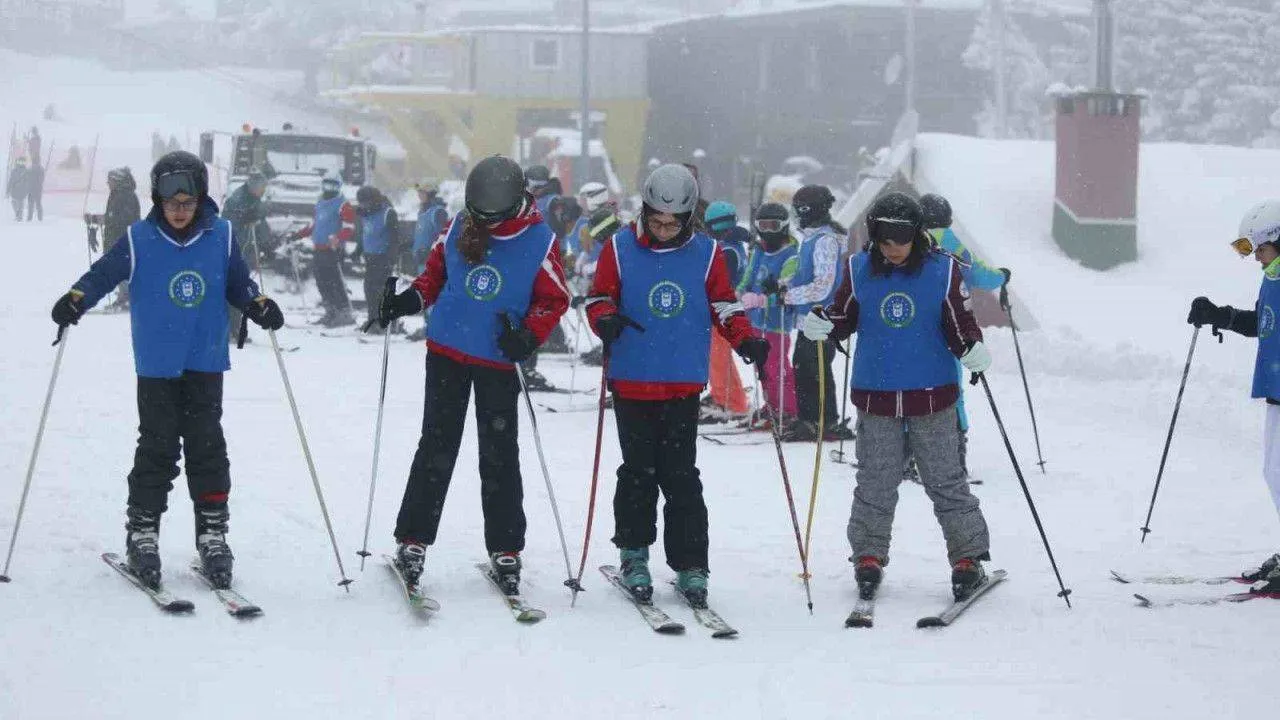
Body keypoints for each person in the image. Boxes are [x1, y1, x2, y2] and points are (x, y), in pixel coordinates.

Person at [48, 151, 285, 591]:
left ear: (200, 198)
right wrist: (77, 298)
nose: (179, 210)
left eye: (187, 202)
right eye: (171, 202)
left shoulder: (221, 235)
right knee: (157, 447)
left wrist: (257, 304)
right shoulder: (140, 238)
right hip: (157, 363)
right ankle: (143, 532)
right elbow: (103, 274)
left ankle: (212, 534)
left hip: (204, 358)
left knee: (206, 446)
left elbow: (239, 283)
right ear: (158, 199)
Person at [375, 155, 570, 595]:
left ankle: (506, 546)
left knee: (499, 453)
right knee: (436, 446)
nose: (484, 224)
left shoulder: (539, 240)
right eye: (478, 215)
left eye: (492, 218)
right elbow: (432, 279)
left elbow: (554, 299)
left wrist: (528, 335)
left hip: (498, 361)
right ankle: (413, 539)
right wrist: (406, 302)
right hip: (446, 352)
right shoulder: (459, 226)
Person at [584, 164, 768, 606]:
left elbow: (723, 305)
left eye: (673, 224)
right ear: (645, 211)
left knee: (681, 476)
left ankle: (691, 564)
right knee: (637, 473)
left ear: (688, 219)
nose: (663, 230)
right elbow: (599, 297)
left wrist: (745, 338)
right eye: (656, 221)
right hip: (632, 379)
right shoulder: (619, 247)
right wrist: (604, 318)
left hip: (681, 381)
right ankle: (633, 553)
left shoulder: (706, 253)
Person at [800, 191, 993, 602]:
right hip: (877, 394)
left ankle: (968, 557)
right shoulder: (859, 269)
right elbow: (843, 315)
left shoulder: (944, 269)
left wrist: (972, 347)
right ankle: (868, 555)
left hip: (932, 393)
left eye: (901, 242)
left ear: (916, 234)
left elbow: (960, 322)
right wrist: (824, 324)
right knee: (876, 480)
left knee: (945, 479)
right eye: (885, 242)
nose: (893, 250)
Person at [1184, 199, 1280, 595]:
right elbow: (1261, 324)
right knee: (1274, 474)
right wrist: (1219, 315)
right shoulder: (1272, 278)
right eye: (1250, 249)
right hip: (1276, 391)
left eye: (1259, 248)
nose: (1255, 257)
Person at [919, 193, 1011, 482]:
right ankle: (954, 460)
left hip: (915, 326)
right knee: (949, 391)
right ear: (947, 218)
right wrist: (1002, 276)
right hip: (949, 326)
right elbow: (979, 275)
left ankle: (908, 457)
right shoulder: (952, 244)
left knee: (910, 386)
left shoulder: (910, 241)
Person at [780, 184, 850, 441]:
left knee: (816, 371)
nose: (795, 215)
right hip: (806, 320)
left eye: (798, 210)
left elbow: (823, 286)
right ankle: (808, 418)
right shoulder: (811, 239)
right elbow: (806, 276)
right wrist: (785, 285)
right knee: (804, 370)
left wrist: (789, 296)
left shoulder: (825, 241)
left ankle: (825, 420)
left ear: (809, 211)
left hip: (820, 319)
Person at [739, 201, 799, 429]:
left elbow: (786, 291)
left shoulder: (791, 256)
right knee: (761, 366)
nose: (767, 231)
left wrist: (762, 299)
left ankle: (787, 410)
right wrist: (738, 294)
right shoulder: (759, 250)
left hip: (777, 322)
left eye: (772, 226)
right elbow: (748, 276)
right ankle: (771, 406)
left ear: (783, 226)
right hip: (756, 321)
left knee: (776, 369)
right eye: (762, 225)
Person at [699, 200, 751, 421]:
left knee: (718, 356)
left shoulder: (726, 250)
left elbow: (721, 283)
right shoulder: (729, 246)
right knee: (715, 356)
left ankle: (733, 403)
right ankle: (723, 395)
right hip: (724, 310)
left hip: (723, 311)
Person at [294, 173, 356, 327]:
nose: (329, 189)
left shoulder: (343, 204)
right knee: (322, 282)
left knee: (335, 281)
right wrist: (297, 235)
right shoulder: (320, 203)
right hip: (319, 249)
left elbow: (349, 228)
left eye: (333, 186)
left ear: (339, 187)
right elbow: (314, 225)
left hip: (333, 249)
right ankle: (330, 311)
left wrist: (338, 238)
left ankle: (344, 313)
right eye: (327, 185)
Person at [221, 170, 271, 342]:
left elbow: (260, 223)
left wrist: (268, 245)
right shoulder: (238, 199)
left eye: (264, 187)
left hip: (247, 250)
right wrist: (244, 220)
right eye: (260, 187)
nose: (262, 190)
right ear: (252, 186)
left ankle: (235, 329)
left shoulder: (254, 199)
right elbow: (229, 224)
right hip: (235, 251)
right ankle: (230, 330)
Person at [354, 185, 402, 332]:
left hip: (383, 257)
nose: (363, 205)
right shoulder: (366, 214)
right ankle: (373, 319)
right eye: (361, 202)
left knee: (380, 290)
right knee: (369, 289)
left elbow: (395, 237)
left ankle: (386, 322)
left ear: (373, 200)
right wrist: (358, 251)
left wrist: (392, 256)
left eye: (365, 202)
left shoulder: (388, 213)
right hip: (370, 257)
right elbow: (364, 235)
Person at [407, 183, 450, 342]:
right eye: (419, 192)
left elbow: (443, 237)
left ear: (430, 193)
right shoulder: (422, 211)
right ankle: (429, 327)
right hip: (421, 261)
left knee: (432, 295)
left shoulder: (437, 212)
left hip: (432, 261)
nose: (419, 195)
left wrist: (429, 251)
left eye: (422, 192)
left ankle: (436, 329)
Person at [102, 168, 142, 311]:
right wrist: (98, 219)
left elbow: (125, 219)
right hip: (115, 238)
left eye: (110, 180)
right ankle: (125, 296)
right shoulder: (117, 194)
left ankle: (127, 297)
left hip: (123, 239)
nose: (108, 183)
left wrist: (108, 219)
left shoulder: (126, 196)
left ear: (117, 180)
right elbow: (113, 216)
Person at [6, 157, 28, 221]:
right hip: (14, 191)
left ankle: (20, 217)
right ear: (17, 162)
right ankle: (17, 214)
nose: (21, 163)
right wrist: (8, 190)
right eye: (20, 161)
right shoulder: (14, 171)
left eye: (23, 162)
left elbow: (28, 181)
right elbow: (11, 181)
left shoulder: (26, 171)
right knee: (13, 203)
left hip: (22, 191)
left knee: (20, 204)